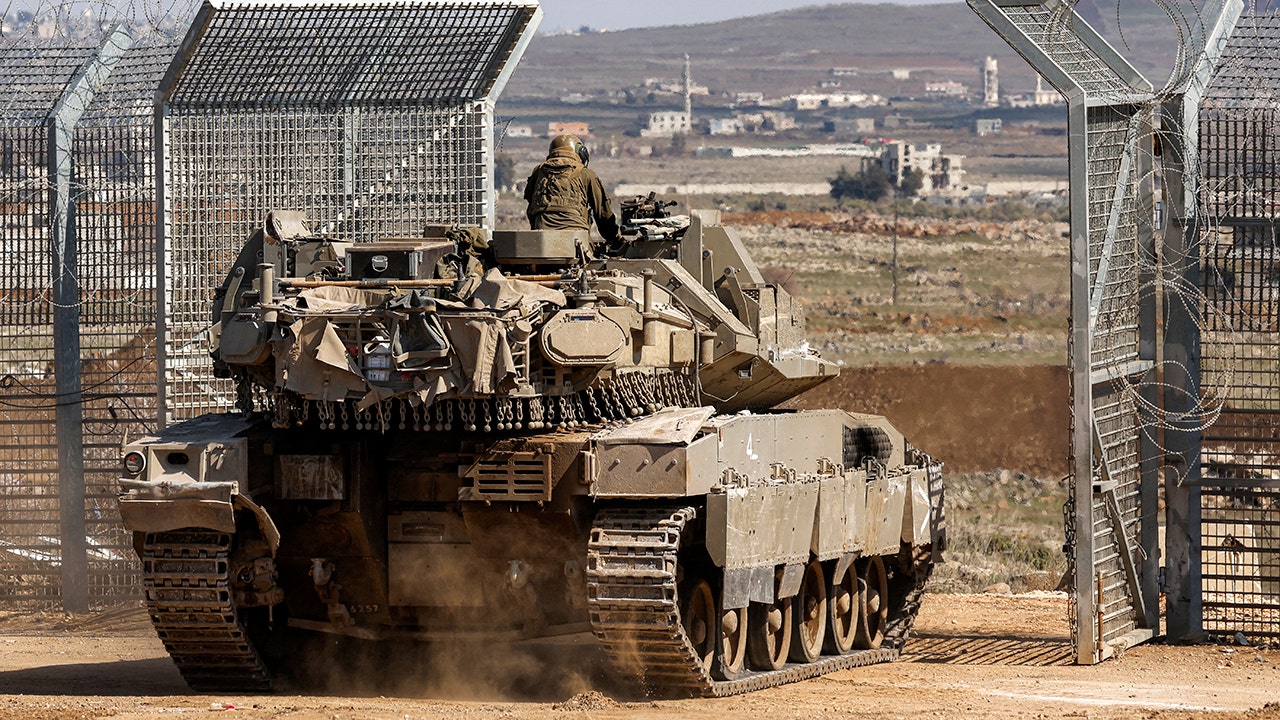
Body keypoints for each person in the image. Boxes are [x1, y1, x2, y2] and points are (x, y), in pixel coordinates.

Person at [524, 134, 620, 244]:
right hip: (576, 240)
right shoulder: (586, 174)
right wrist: (614, 239)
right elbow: (602, 213)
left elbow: (531, 205)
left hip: (541, 239)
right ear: (581, 152)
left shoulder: (538, 171)